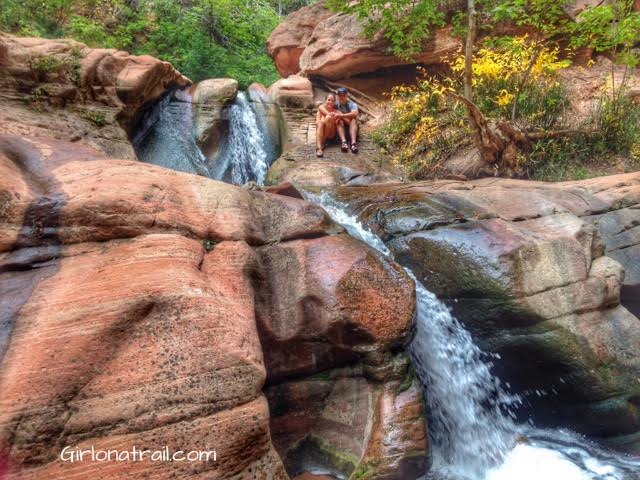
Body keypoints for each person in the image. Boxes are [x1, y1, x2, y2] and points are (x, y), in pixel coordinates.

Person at [335, 87, 359, 153]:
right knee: (339, 120)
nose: (342, 97)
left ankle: (353, 143)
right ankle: (344, 142)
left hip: (352, 124)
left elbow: (355, 113)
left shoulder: (352, 104)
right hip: (342, 124)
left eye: (343, 95)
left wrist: (341, 115)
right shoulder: (336, 104)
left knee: (353, 120)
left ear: (347, 95)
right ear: (337, 96)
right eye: (340, 95)